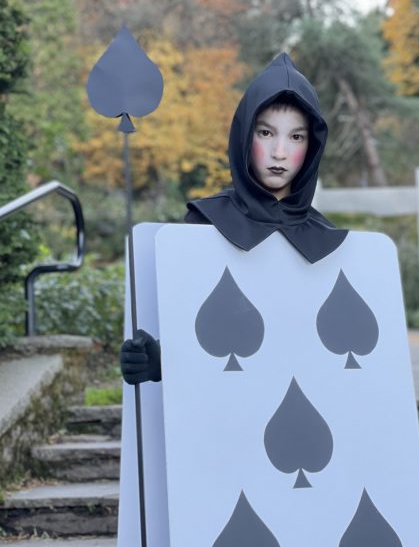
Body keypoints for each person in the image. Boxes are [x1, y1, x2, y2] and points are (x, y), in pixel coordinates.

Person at [120, 52, 347, 385]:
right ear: (244, 135)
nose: (280, 152)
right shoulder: (204, 225)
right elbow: (192, 329)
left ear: (312, 146)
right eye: (266, 133)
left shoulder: (329, 241)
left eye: (295, 137)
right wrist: (156, 360)